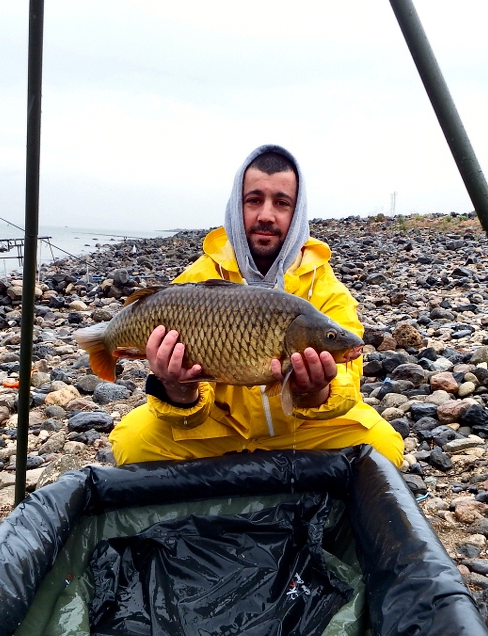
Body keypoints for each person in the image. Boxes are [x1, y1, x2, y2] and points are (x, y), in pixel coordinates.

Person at [108, 144, 405, 467]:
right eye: (254, 200)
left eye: (281, 203)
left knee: (383, 447)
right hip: (219, 431)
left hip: (301, 433)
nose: (266, 215)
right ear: (237, 207)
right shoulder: (195, 282)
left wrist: (314, 392)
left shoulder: (326, 288)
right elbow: (187, 412)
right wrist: (178, 390)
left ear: (297, 212)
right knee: (132, 443)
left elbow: (347, 387)